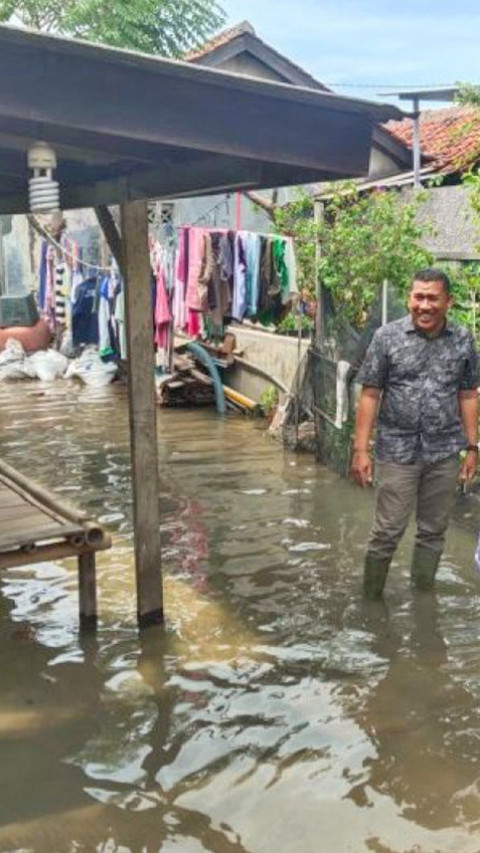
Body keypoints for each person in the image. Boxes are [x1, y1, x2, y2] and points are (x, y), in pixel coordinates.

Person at [352, 268, 479, 598]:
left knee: (434, 531)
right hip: (397, 451)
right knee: (387, 530)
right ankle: (371, 601)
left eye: (432, 298)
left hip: (444, 452)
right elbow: (370, 393)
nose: (424, 305)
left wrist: (472, 446)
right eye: (418, 297)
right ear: (409, 298)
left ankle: (423, 597)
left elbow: (467, 394)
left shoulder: (463, 339)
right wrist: (361, 450)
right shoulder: (387, 337)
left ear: (448, 302)